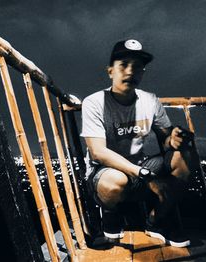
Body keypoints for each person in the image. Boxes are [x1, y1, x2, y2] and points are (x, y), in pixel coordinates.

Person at [81, 39, 198, 248]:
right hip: (106, 172)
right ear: (110, 71)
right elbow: (98, 152)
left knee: (185, 155)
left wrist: (175, 138)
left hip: (141, 166)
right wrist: (144, 175)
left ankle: (156, 221)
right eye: (123, 64)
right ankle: (110, 214)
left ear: (142, 72)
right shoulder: (94, 102)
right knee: (114, 181)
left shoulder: (150, 100)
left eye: (137, 66)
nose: (130, 71)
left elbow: (166, 139)